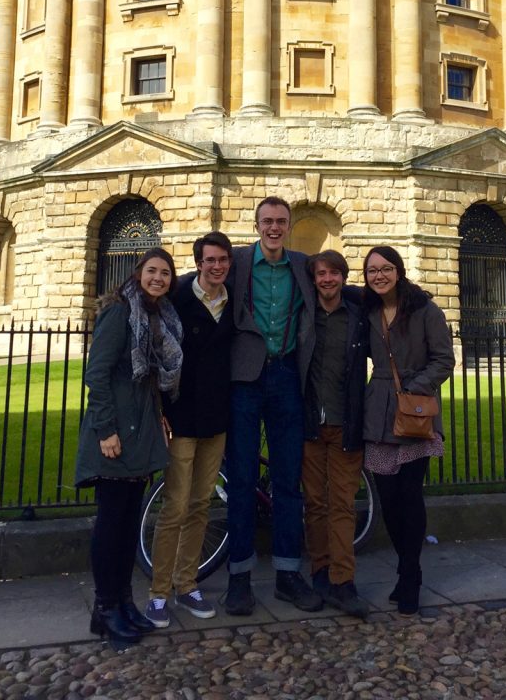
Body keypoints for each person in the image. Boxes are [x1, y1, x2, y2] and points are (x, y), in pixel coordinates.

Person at [75, 247, 183, 649]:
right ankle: (105, 609)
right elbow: (97, 374)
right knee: (111, 525)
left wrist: (158, 416)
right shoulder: (120, 311)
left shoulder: (158, 315)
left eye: (166, 273)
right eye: (153, 271)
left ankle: (121, 602)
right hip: (116, 433)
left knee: (126, 527)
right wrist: (106, 430)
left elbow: (150, 378)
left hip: (140, 432)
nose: (159, 278)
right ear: (139, 273)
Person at [224, 195, 321, 615]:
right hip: (245, 378)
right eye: (268, 221)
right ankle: (239, 579)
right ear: (257, 224)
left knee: (287, 481)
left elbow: (342, 287)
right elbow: (195, 282)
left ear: (289, 224)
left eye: (281, 221)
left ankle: (287, 575)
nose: (275, 227)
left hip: (285, 376)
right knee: (242, 480)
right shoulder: (237, 262)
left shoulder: (302, 264)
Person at [145, 232, 234, 627]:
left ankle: (187, 582)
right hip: (182, 417)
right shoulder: (178, 299)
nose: (217, 267)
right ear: (198, 263)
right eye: (210, 260)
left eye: (223, 260)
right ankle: (159, 592)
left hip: (217, 417)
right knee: (175, 506)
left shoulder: (232, 301)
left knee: (201, 505)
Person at [361, 245, 454, 616]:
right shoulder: (367, 312)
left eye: (385, 269)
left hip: (414, 413)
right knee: (388, 498)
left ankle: (411, 573)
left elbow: (445, 359)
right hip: (379, 414)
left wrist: (415, 388)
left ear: (398, 271)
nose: (379, 276)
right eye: (371, 271)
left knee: (410, 495)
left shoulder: (426, 310)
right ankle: (405, 565)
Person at [302, 250, 369, 618]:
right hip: (310, 424)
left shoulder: (358, 315)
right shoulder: (305, 314)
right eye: (321, 273)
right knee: (315, 504)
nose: (327, 279)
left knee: (342, 504)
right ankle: (321, 572)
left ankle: (344, 581)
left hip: (346, 423)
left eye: (334, 273)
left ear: (344, 277)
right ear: (313, 279)